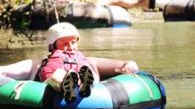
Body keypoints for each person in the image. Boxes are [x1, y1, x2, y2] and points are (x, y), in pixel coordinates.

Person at [0, 22, 139, 102]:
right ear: (52, 46)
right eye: (65, 43)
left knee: (86, 69)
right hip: (54, 82)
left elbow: (122, 66)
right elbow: (4, 71)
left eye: (73, 42)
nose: (71, 47)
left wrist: (129, 65)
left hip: (94, 93)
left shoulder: (90, 61)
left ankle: (84, 83)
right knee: (59, 73)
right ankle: (67, 83)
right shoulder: (36, 64)